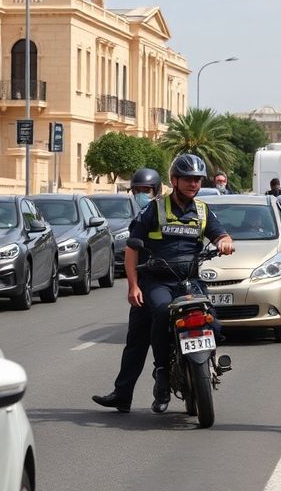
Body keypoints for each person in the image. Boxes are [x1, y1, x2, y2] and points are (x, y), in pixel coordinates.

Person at [125, 153, 234, 413]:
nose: (193, 184)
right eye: (187, 179)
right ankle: (161, 373)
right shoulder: (154, 208)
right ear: (174, 180)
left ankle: (211, 361)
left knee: (213, 322)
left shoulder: (203, 210)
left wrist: (225, 242)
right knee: (162, 314)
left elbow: (220, 233)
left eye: (197, 180)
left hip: (189, 281)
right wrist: (133, 285)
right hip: (158, 282)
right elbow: (132, 247)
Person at [92, 168, 163, 413]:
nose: (141, 195)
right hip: (147, 282)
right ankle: (123, 394)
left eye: (146, 191)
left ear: (157, 190)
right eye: (138, 191)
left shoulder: (164, 211)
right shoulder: (141, 216)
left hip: (175, 282)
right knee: (136, 341)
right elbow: (132, 251)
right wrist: (133, 285)